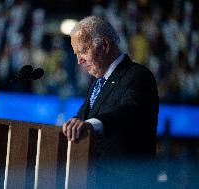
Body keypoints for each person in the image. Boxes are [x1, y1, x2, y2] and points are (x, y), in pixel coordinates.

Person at [62, 16, 159, 188]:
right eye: (76, 54)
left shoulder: (137, 75)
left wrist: (91, 125)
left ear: (105, 45)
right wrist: (72, 124)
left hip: (125, 181)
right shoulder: (96, 82)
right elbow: (82, 117)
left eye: (83, 51)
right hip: (93, 179)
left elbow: (129, 111)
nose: (79, 60)